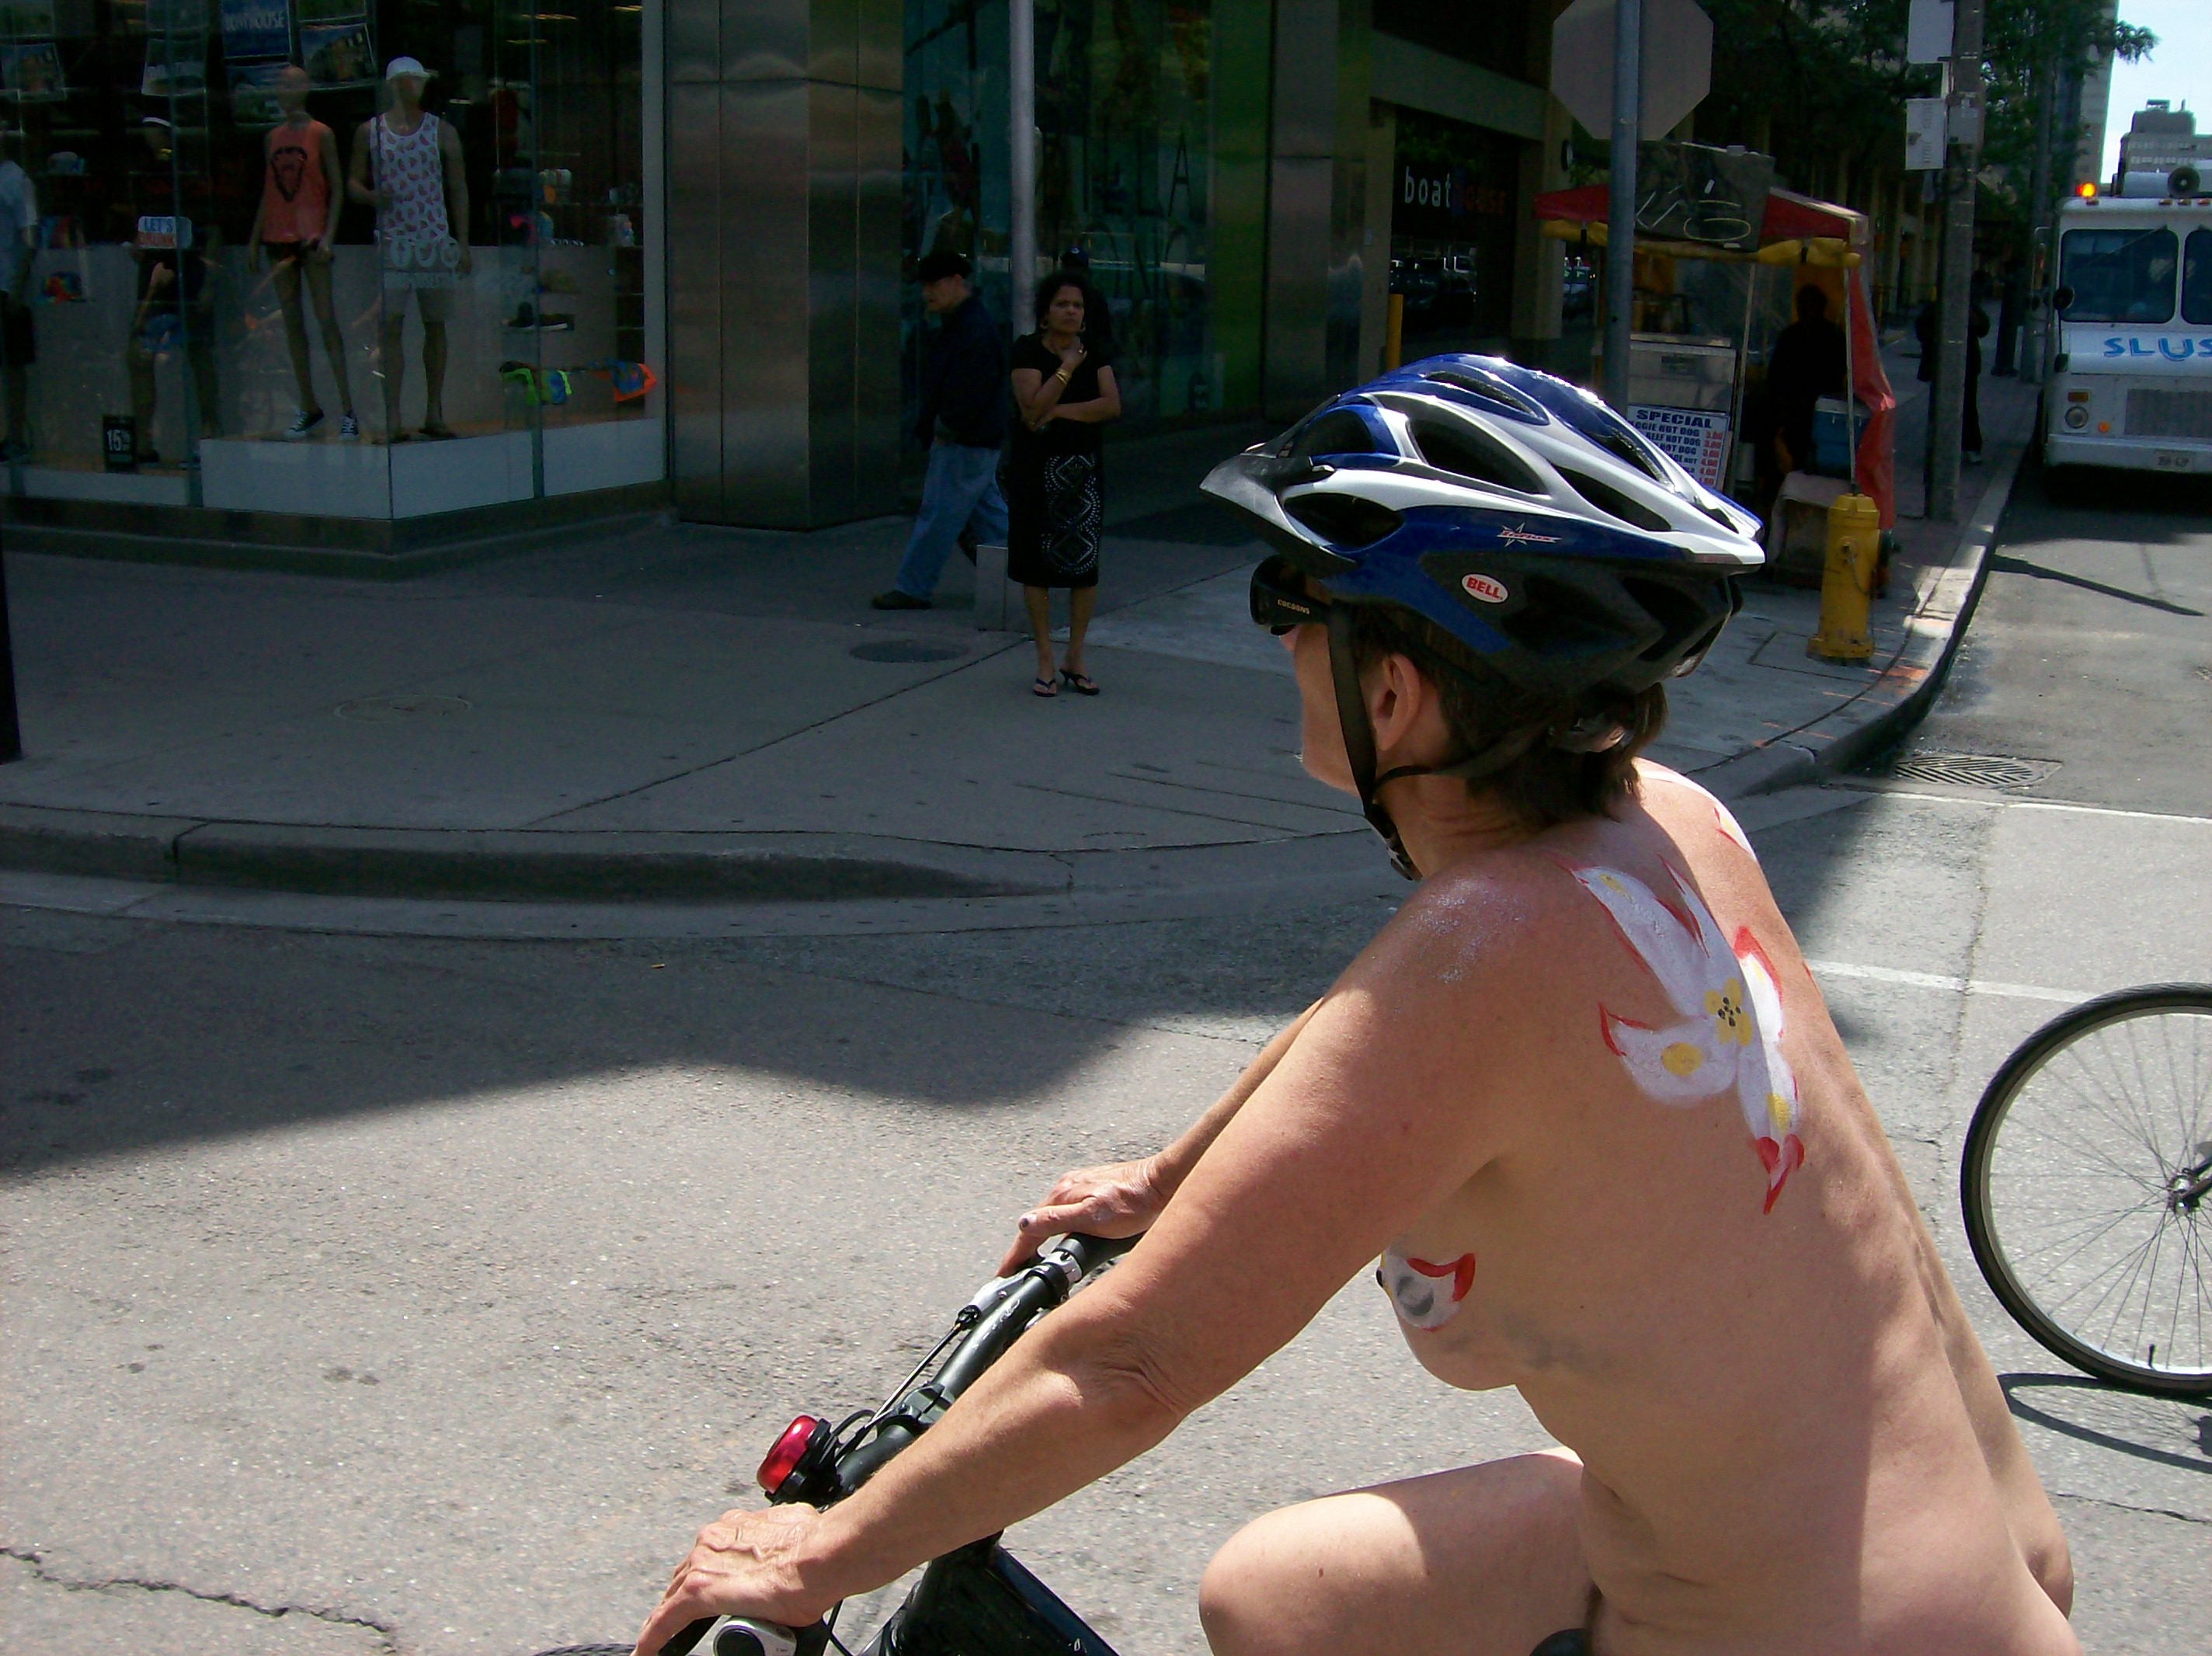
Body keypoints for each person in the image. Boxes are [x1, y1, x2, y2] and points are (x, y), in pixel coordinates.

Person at [633, 360, 2077, 1656]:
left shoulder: (1486, 959)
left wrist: (819, 1554)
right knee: (1277, 1595)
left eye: (1291, 600)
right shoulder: (1669, 825)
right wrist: (1167, 1177)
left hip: (1773, 1630)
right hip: (1954, 1568)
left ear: (1393, 692)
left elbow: (1131, 1361)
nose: (1277, 636)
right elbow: (1368, 1023)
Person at [873, 249, 1009, 611]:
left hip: (963, 439)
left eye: (933, 285)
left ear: (956, 282)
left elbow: (970, 390)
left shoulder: (970, 328)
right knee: (990, 516)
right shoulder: (970, 323)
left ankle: (913, 586)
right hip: (974, 438)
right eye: (925, 286)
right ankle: (1024, 575)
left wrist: (945, 427)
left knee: (939, 515)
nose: (927, 293)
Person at [1007, 273, 1120, 696]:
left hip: (1082, 472)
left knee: (1084, 568)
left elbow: (1110, 405)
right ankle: (1044, 659)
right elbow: (1031, 411)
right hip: (1036, 471)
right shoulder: (1026, 350)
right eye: (1062, 304)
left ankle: (1075, 655)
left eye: (1077, 305)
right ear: (1045, 311)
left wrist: (1060, 411)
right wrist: (1068, 366)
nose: (1071, 311)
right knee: (1033, 566)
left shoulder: (1096, 351)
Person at [349, 56, 471, 442]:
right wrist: (372, 197)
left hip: (433, 239)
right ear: (391, 85)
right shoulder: (370, 131)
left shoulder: (442, 131)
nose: (411, 86)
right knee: (391, 326)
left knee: (435, 325)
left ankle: (434, 410)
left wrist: (463, 242)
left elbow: (458, 187)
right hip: (392, 241)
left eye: (416, 80)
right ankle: (394, 415)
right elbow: (352, 182)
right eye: (404, 80)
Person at [249, 65, 357, 441]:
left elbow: (336, 188)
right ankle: (309, 405)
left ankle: (348, 409)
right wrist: (255, 239)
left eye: (293, 83)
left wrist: (328, 236)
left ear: (307, 88)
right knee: (293, 324)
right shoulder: (272, 137)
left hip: (312, 237)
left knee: (326, 321)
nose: (286, 89)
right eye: (281, 84)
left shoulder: (321, 133)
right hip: (279, 236)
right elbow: (268, 190)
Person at [127, 114, 221, 467]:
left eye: (154, 126)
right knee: (139, 355)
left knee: (198, 355)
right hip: (153, 280)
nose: (148, 133)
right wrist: (139, 246)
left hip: (190, 276)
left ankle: (208, 438)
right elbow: (143, 230)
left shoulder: (191, 172)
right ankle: (143, 443)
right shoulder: (143, 174)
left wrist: (208, 285)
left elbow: (213, 230)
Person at [1763, 284, 1845, 475]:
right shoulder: (1794, 335)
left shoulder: (1832, 336)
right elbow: (1775, 374)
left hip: (1817, 407)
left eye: (1808, 306)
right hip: (1800, 405)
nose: (1804, 311)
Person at [1916, 286, 1991, 464]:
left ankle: (1969, 446)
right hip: (1943, 365)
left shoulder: (1969, 308)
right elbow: (1922, 331)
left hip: (1966, 366)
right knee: (1942, 406)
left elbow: (1983, 328)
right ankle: (1942, 446)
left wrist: (1974, 319)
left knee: (1967, 407)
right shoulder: (1935, 309)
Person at [0, 124, 34, 461]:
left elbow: (30, 240)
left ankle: (15, 438)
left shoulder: (17, 180)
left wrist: (16, 291)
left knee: (12, 367)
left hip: (6, 287)